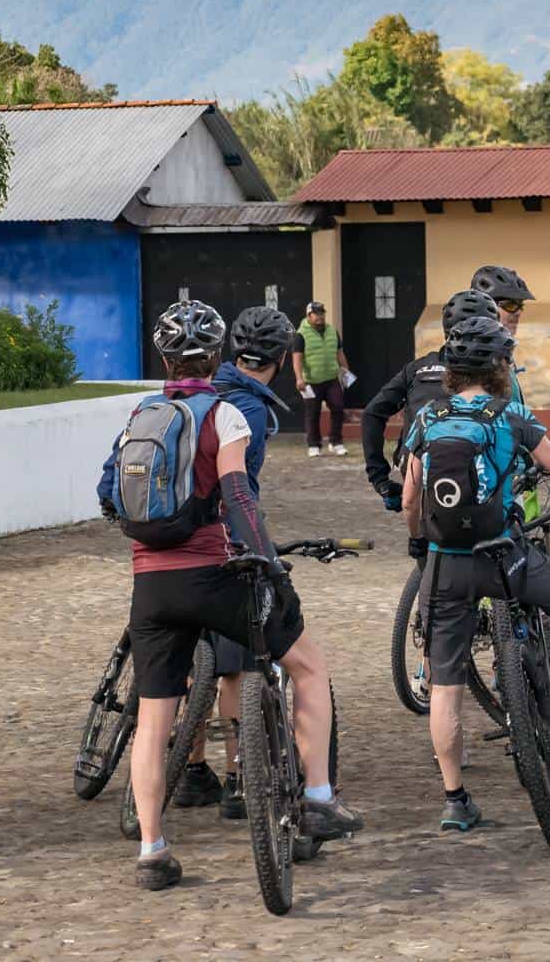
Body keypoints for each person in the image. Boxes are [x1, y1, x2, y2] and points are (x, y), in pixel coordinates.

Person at [111, 300, 362, 890]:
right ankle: (319, 796)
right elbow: (238, 495)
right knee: (307, 666)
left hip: (150, 585)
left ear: (164, 358)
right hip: (214, 573)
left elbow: (109, 492)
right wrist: (267, 561)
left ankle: (152, 851)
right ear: (217, 357)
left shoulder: (139, 415)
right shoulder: (225, 415)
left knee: (154, 721)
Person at [399, 313, 550, 833]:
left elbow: (410, 497)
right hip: (503, 556)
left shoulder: (427, 419)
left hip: (445, 564)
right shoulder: (510, 415)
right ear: (501, 367)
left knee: (446, 686)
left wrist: (420, 541)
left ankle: (455, 800)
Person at [166, 305, 298, 819]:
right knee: (235, 666)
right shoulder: (253, 412)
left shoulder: (196, 389)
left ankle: (190, 769)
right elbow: (240, 485)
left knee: (182, 664)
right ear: (282, 358)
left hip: (169, 541)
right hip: (222, 544)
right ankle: (240, 775)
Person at [361, 266, 534, 508]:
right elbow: (520, 429)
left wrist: (380, 480)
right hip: (475, 480)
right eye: (510, 306)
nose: (517, 314)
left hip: (417, 476)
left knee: (425, 537)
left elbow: (372, 413)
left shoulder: (417, 368)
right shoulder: (489, 373)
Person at [294, 300, 352, 457]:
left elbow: (339, 352)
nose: (320, 316)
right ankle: (314, 445)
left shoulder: (332, 331)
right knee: (313, 413)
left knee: (338, 408)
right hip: (311, 381)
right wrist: (299, 378)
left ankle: (336, 442)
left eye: (322, 313)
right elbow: (297, 358)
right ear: (309, 315)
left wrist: (345, 370)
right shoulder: (301, 334)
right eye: (316, 313)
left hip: (332, 378)